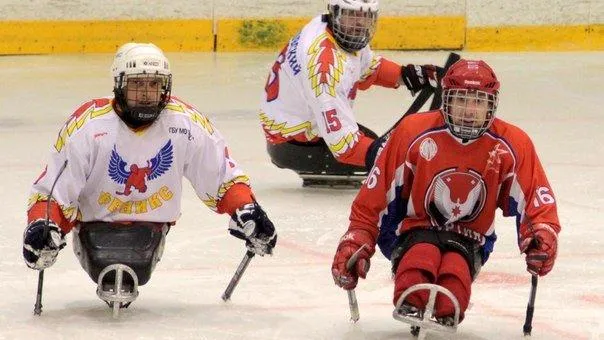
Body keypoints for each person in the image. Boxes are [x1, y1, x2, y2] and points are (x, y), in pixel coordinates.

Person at [23, 42, 277, 310]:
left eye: (154, 85)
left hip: (151, 228)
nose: (146, 94)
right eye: (137, 84)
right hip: (94, 225)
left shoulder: (185, 123)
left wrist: (245, 209)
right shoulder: (88, 125)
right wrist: (43, 224)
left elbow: (221, 175)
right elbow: (54, 189)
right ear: (119, 85)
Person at [331, 59, 560, 326]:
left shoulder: (512, 143)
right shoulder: (413, 131)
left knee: (455, 276)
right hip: (412, 230)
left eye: (478, 101)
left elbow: (536, 199)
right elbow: (377, 193)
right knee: (419, 262)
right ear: (446, 99)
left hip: (470, 239)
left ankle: (448, 305)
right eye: (461, 100)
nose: (469, 110)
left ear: (492, 104)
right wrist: (357, 237)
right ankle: (413, 296)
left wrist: (540, 235)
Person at [259, 0, 439, 185]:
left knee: (377, 145)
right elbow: (344, 147)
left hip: (295, 129)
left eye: (365, 16)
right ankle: (318, 171)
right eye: (352, 15)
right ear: (335, 13)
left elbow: (364, 67)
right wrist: (403, 158)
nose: (360, 23)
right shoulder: (323, 69)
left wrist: (408, 75)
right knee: (380, 152)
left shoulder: (331, 29)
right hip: (293, 145)